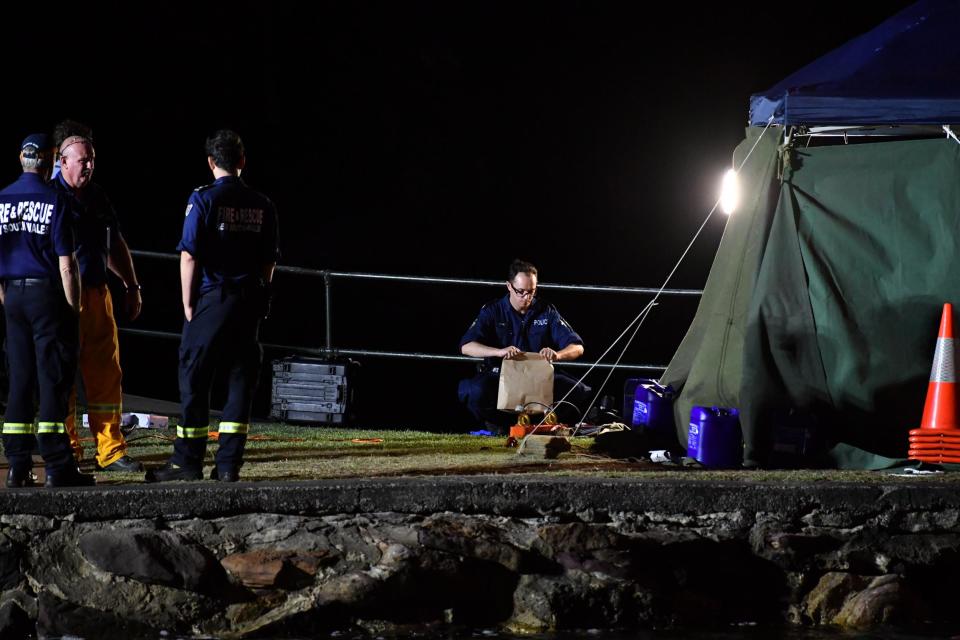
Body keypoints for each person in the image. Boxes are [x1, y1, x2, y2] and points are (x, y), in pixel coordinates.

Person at [146, 129, 279, 483]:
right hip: (248, 301)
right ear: (242, 161)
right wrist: (262, 294)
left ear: (210, 162)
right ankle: (228, 465)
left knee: (194, 377)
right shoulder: (263, 204)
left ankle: (186, 463)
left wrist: (188, 303)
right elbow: (268, 261)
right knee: (240, 381)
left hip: (212, 299)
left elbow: (189, 255)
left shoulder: (202, 199)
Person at [0, 134, 93, 487]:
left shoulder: (2, 199)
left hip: (14, 298)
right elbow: (67, 265)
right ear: (49, 161)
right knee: (52, 380)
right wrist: (74, 308)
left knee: (19, 381)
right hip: (47, 295)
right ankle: (57, 465)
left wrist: (6, 297)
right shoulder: (55, 200)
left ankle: (17, 466)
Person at [52, 134, 144, 472]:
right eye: (82, 160)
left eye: (92, 159)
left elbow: (114, 242)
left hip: (96, 292)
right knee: (62, 376)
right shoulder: (50, 196)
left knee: (106, 372)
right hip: (60, 297)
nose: (89, 165)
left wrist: (131, 284)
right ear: (62, 162)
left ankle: (110, 450)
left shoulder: (97, 196)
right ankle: (67, 450)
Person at [458, 259, 591, 429]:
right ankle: (500, 426)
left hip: (538, 378)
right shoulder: (493, 310)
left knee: (578, 390)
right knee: (475, 390)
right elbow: (466, 346)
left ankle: (539, 425)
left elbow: (577, 347)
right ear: (509, 286)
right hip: (501, 376)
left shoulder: (546, 310)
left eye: (532, 292)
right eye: (521, 291)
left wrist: (557, 355)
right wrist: (498, 352)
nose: (527, 297)